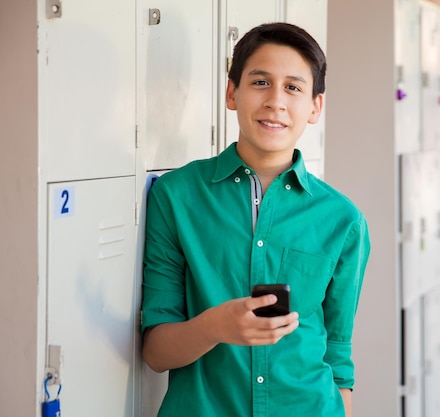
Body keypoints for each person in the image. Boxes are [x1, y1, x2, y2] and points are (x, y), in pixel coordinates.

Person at [141, 22, 370, 417]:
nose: (276, 102)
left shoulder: (343, 220)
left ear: (315, 106)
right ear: (232, 93)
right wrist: (215, 326)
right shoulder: (176, 197)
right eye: (260, 82)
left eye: (294, 88)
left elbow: (338, 352)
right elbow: (157, 352)